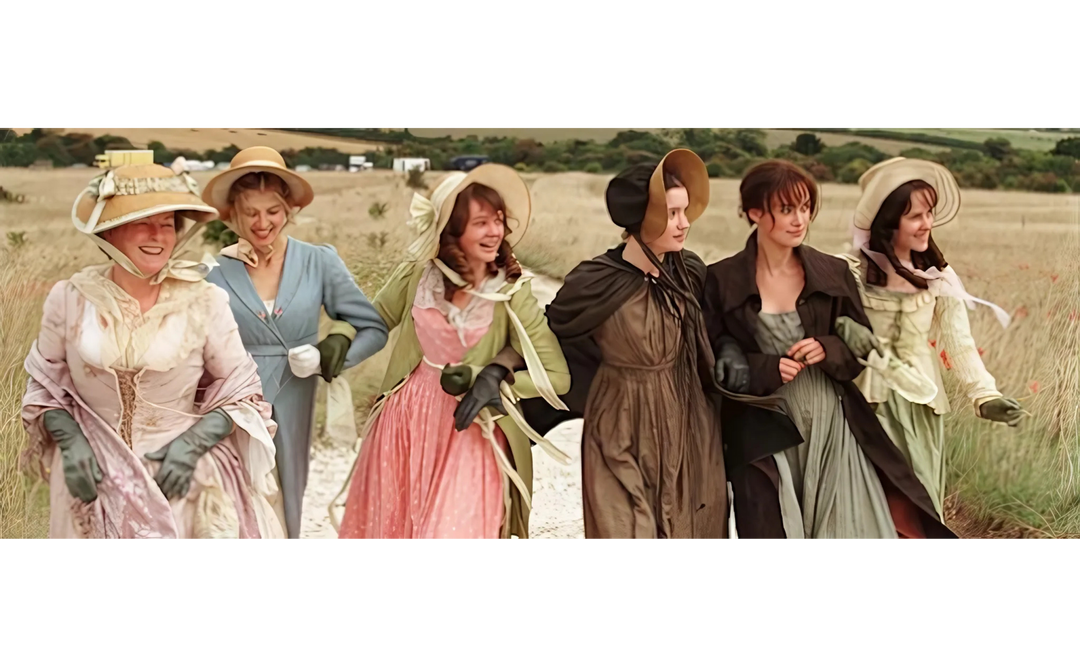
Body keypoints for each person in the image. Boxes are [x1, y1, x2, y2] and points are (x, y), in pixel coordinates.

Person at [21, 163, 284, 540]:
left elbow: (242, 393)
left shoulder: (204, 300)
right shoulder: (69, 298)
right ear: (110, 232)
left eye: (167, 224)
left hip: (175, 477)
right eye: (143, 222)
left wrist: (192, 445)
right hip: (90, 479)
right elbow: (44, 387)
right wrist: (69, 439)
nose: (157, 236)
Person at [702, 159, 956, 540]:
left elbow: (858, 350)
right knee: (773, 525)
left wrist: (828, 347)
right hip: (764, 431)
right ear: (755, 212)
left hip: (833, 426)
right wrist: (764, 368)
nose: (799, 219)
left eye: (805, 208)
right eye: (786, 209)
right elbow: (710, 361)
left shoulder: (831, 272)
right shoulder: (721, 279)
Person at [333, 163, 571, 541]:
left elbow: (557, 376)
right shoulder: (417, 274)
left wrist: (498, 381)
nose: (495, 231)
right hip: (406, 422)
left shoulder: (511, 291)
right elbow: (371, 318)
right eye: (481, 223)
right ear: (452, 230)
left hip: (474, 428)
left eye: (498, 220)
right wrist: (337, 341)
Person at [522, 149, 735, 541]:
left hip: (687, 420)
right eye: (672, 213)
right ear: (643, 215)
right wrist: (500, 369)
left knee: (690, 523)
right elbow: (542, 338)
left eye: (685, 211)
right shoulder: (594, 281)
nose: (685, 223)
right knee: (623, 526)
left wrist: (730, 352)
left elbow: (716, 332)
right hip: (618, 422)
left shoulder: (690, 273)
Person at [202, 146, 389, 540]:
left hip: (293, 397)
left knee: (287, 498)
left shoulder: (318, 261)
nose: (262, 222)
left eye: (272, 210)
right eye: (250, 212)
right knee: (232, 504)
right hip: (231, 405)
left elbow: (372, 328)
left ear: (288, 209)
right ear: (232, 213)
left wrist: (328, 357)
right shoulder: (213, 273)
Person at [836, 157, 1025, 519]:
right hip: (862, 404)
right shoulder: (848, 270)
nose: (928, 224)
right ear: (888, 220)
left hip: (920, 407)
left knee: (916, 506)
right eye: (916, 216)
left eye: (930, 213)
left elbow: (959, 343)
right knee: (864, 506)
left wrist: (985, 395)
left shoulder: (940, 276)